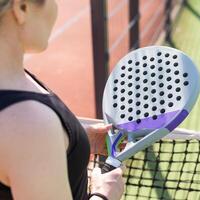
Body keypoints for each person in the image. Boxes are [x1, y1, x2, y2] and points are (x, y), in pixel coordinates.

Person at [0, 0, 125, 199]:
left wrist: (71, 141)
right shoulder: (28, 124)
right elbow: (24, 136)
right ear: (21, 8)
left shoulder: (13, 85)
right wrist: (104, 195)